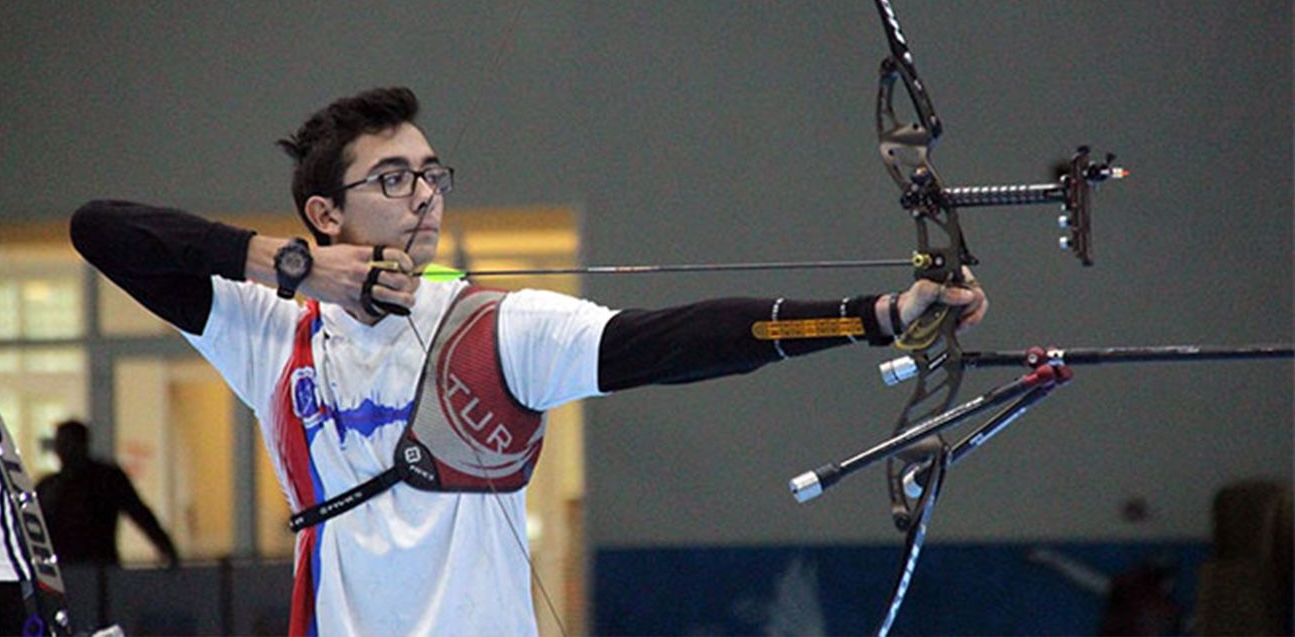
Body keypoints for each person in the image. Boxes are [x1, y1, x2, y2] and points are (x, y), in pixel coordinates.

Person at [69, 86, 986, 637]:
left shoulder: (494, 324)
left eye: (432, 173)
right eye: (393, 178)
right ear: (323, 212)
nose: (425, 196)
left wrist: (873, 316)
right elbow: (101, 229)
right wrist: (299, 270)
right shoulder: (270, 329)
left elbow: (673, 341)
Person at [35, 421, 180, 568]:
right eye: (61, 444)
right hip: (82, 567)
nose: (63, 450)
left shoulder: (104, 479)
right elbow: (140, 513)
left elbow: (140, 513)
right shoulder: (53, 485)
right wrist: (166, 547)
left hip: (90, 567)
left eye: (67, 443)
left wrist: (166, 547)